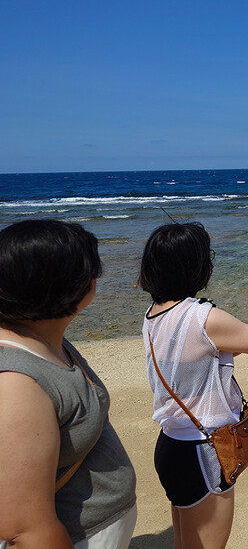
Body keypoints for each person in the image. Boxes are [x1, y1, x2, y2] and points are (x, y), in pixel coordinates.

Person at [138, 222, 248, 549]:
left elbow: (197, 356)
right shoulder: (203, 315)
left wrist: (242, 337)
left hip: (170, 446)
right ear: (197, 267)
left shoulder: (152, 315)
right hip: (204, 450)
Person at [0, 220, 137, 548]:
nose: (97, 278)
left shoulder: (42, 338)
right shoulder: (17, 384)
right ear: (62, 289)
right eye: (89, 272)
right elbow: (25, 529)